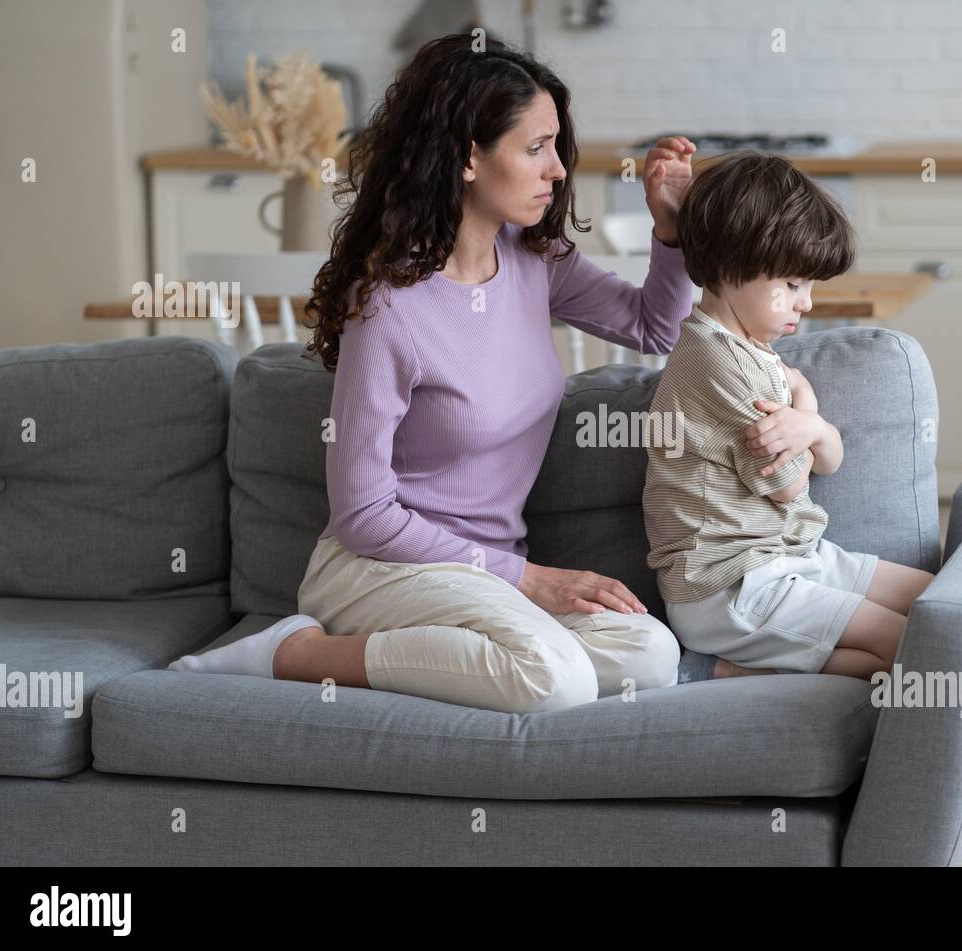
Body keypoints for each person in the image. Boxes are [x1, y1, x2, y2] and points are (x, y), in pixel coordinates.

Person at [169, 34, 698, 714]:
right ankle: (292, 653)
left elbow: (652, 328)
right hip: (379, 570)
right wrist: (528, 580)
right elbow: (362, 514)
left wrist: (672, 232)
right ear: (469, 157)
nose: (559, 171)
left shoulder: (536, 260)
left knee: (649, 653)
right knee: (555, 679)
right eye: (535, 148)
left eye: (555, 146)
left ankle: (482, 652)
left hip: (480, 579)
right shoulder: (388, 308)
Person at [641, 150, 935, 684]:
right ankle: (711, 669)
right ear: (733, 268)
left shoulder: (752, 347)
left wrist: (814, 425)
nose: (806, 304)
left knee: (935, 599)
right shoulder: (721, 363)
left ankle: (727, 668)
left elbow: (829, 459)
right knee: (907, 645)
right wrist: (809, 418)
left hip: (792, 556)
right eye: (793, 285)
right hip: (729, 586)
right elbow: (788, 484)